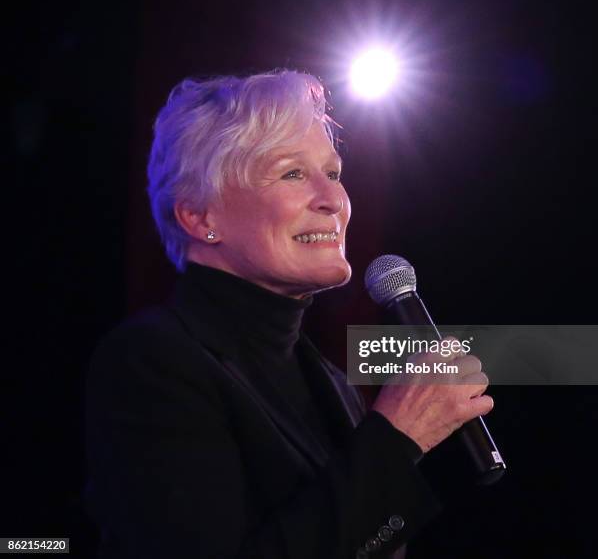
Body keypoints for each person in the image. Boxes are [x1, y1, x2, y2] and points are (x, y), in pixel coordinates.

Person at [85, 70, 493, 559]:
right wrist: (396, 439)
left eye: (334, 173)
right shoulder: (154, 362)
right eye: (292, 173)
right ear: (199, 216)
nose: (334, 200)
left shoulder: (333, 383)